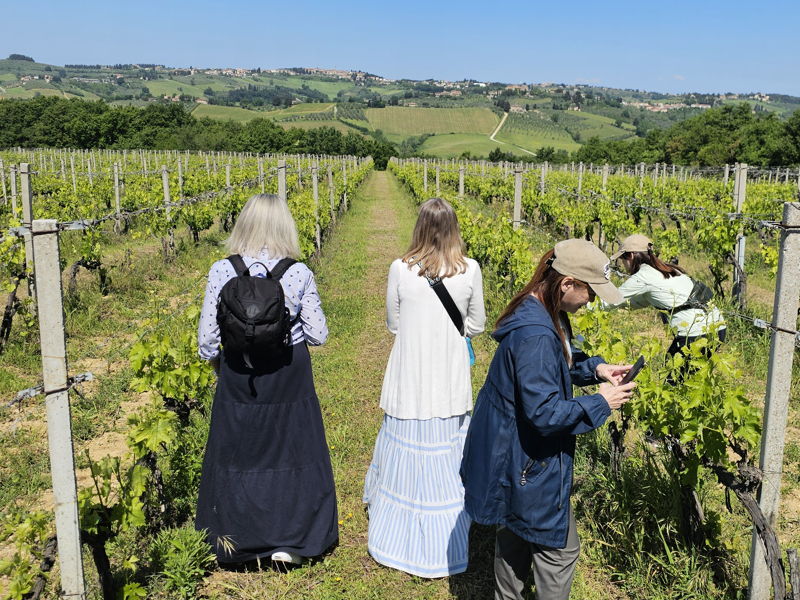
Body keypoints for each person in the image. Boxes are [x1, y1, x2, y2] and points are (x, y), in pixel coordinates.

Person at [460, 239, 636, 600]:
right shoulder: (536, 334)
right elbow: (545, 413)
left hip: (511, 453)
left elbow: (555, 367)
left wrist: (596, 369)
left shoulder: (540, 309)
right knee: (560, 551)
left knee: (514, 531)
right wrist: (601, 403)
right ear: (567, 283)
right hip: (527, 461)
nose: (592, 301)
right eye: (590, 291)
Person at [195, 193, 337, 567]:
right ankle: (290, 541)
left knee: (239, 453)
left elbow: (207, 342)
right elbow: (319, 334)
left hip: (239, 375)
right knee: (293, 453)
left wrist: (222, 363)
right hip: (289, 374)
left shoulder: (221, 270)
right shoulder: (298, 272)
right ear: (284, 225)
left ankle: (236, 540)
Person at [363, 197, 486, 578]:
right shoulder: (471, 270)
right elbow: (478, 324)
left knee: (404, 449)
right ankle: (443, 538)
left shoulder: (400, 269)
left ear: (419, 227)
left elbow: (393, 323)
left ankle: (396, 532)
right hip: (447, 379)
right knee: (446, 455)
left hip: (409, 376)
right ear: (454, 228)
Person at [608, 234, 726, 355]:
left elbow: (611, 299)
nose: (622, 262)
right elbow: (639, 301)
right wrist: (622, 305)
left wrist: (589, 304)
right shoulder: (668, 270)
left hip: (695, 333)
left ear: (631, 255)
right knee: (687, 371)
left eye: (623, 257)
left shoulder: (644, 276)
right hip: (717, 327)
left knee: (674, 372)